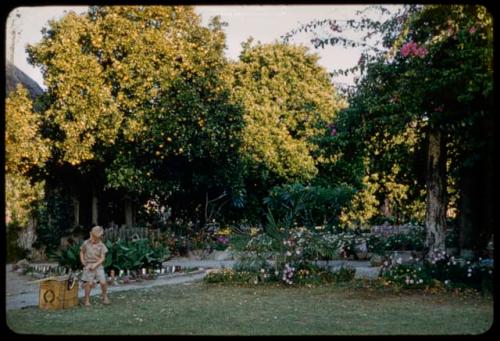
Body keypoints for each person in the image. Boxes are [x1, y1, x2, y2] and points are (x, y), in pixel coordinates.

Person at [79, 225, 110, 306]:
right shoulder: (86, 243)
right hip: (88, 265)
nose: (93, 239)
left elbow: (103, 258)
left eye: (95, 238)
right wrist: (82, 260)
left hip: (98, 265)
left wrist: (96, 264)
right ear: (90, 234)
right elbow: (82, 252)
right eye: (92, 237)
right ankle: (86, 300)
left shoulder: (101, 245)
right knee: (88, 283)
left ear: (99, 238)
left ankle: (105, 296)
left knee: (103, 282)